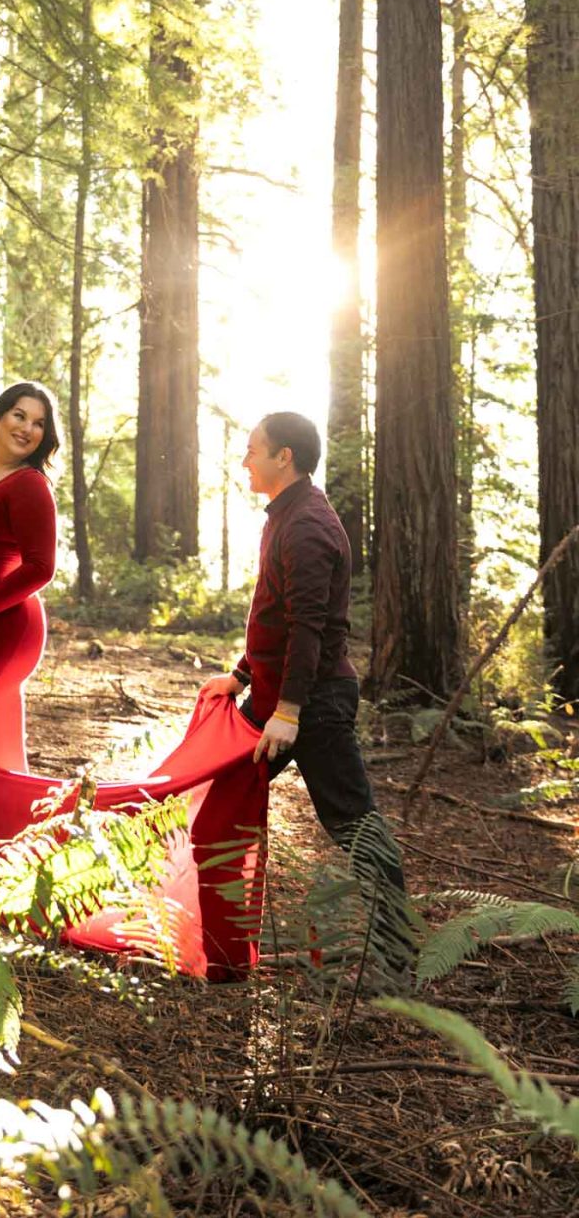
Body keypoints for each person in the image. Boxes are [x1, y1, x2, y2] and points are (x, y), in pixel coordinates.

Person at [0, 382, 269, 977]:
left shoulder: (29, 486)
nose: (27, 428)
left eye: (39, 424)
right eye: (18, 416)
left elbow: (41, 568)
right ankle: (12, 882)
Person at [201, 411, 414, 978]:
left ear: (284, 457)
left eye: (253, 450)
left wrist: (289, 712)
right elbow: (277, 616)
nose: (244, 460)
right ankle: (219, 950)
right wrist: (241, 677)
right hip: (279, 699)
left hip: (312, 704)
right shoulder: (284, 516)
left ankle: (398, 958)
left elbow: (309, 629)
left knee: (353, 823)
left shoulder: (307, 526)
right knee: (221, 807)